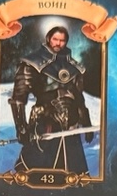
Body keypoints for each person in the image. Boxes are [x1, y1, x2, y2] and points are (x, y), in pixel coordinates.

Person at [9, 26, 93, 175]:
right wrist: (21, 128)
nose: (58, 43)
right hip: (45, 122)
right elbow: (18, 99)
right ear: (48, 39)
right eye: (55, 39)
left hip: (70, 127)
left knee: (73, 172)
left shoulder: (74, 67)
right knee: (35, 170)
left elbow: (79, 99)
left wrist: (86, 123)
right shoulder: (31, 63)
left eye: (62, 40)